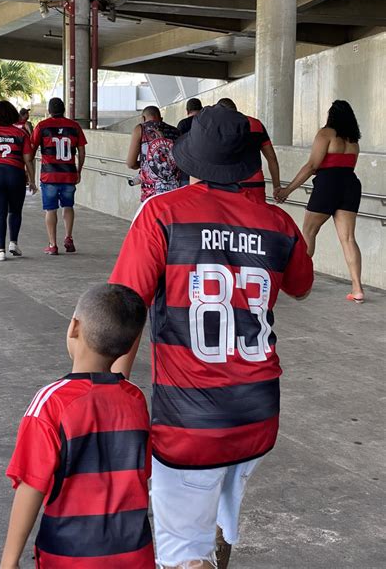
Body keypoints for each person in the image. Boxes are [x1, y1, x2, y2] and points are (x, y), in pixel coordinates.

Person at [110, 105, 313, 569]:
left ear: (190, 159)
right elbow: (302, 287)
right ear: (247, 164)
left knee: (182, 551)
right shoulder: (279, 224)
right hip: (259, 413)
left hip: (189, 424)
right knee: (224, 496)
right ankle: (218, 537)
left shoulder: (161, 214)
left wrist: (116, 390)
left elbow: (125, 310)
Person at [0, 283, 154, 569]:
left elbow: (31, 485)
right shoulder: (135, 399)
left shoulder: (51, 402)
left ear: (74, 327)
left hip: (70, 555)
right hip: (134, 552)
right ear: (130, 344)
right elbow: (141, 474)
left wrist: (9, 561)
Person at [275, 100, 364, 303]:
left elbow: (312, 165)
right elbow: (346, 168)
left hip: (328, 184)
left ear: (331, 115)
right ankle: (357, 288)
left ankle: (300, 281)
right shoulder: (353, 141)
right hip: (350, 184)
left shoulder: (326, 134)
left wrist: (288, 190)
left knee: (309, 232)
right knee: (348, 238)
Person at [0, 101, 37, 262]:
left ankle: (0, 250)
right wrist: (32, 180)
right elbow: (28, 160)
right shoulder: (21, 134)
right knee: (15, 211)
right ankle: (13, 244)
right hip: (16, 174)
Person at [31, 97, 86, 255]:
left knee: (51, 210)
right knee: (68, 206)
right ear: (64, 110)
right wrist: (79, 170)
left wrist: (30, 172)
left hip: (49, 176)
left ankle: (52, 244)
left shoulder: (42, 126)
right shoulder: (74, 126)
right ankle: (68, 237)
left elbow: (32, 150)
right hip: (69, 174)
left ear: (49, 110)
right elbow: (82, 151)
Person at [218, 98, 281, 201]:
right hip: (256, 183)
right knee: (257, 216)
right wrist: (276, 186)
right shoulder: (257, 124)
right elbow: (272, 158)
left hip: (230, 185)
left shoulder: (219, 127)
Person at [126, 105, 180, 202]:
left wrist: (144, 163)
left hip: (151, 192)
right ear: (161, 118)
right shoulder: (175, 131)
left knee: (151, 216)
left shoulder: (140, 129)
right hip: (173, 190)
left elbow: (130, 163)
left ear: (142, 118)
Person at [177, 98, 203, 186]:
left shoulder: (183, 124)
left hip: (186, 170)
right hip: (205, 171)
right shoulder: (206, 122)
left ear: (187, 111)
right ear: (201, 109)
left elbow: (178, 147)